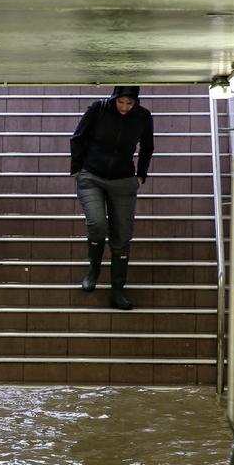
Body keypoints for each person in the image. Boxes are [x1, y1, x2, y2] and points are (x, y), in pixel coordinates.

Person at [69, 85, 154, 310]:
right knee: (97, 224)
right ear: (114, 98)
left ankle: (118, 290)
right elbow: (78, 137)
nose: (124, 107)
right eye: (121, 102)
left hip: (123, 179)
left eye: (129, 103)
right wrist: (77, 168)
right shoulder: (99, 109)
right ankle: (93, 270)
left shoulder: (143, 117)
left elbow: (147, 147)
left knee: (123, 236)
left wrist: (141, 175)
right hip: (92, 176)